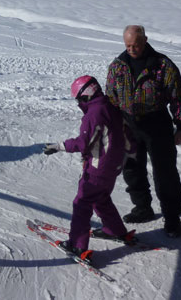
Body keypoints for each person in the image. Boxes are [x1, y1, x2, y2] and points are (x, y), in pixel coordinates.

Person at [105, 25, 181, 238]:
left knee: (165, 172)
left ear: (145, 41)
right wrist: (111, 125)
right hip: (128, 125)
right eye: (127, 45)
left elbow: (178, 98)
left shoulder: (162, 65)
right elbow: (111, 98)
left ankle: (172, 215)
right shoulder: (117, 66)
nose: (131, 49)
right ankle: (142, 207)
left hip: (157, 124)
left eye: (135, 45)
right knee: (132, 168)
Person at [43, 75, 135, 262]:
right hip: (114, 164)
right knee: (100, 198)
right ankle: (115, 230)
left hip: (98, 167)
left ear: (85, 95)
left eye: (78, 99)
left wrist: (59, 146)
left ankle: (77, 244)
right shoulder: (110, 106)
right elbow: (127, 135)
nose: (78, 103)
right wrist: (128, 154)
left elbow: (83, 143)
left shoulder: (95, 113)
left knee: (82, 202)